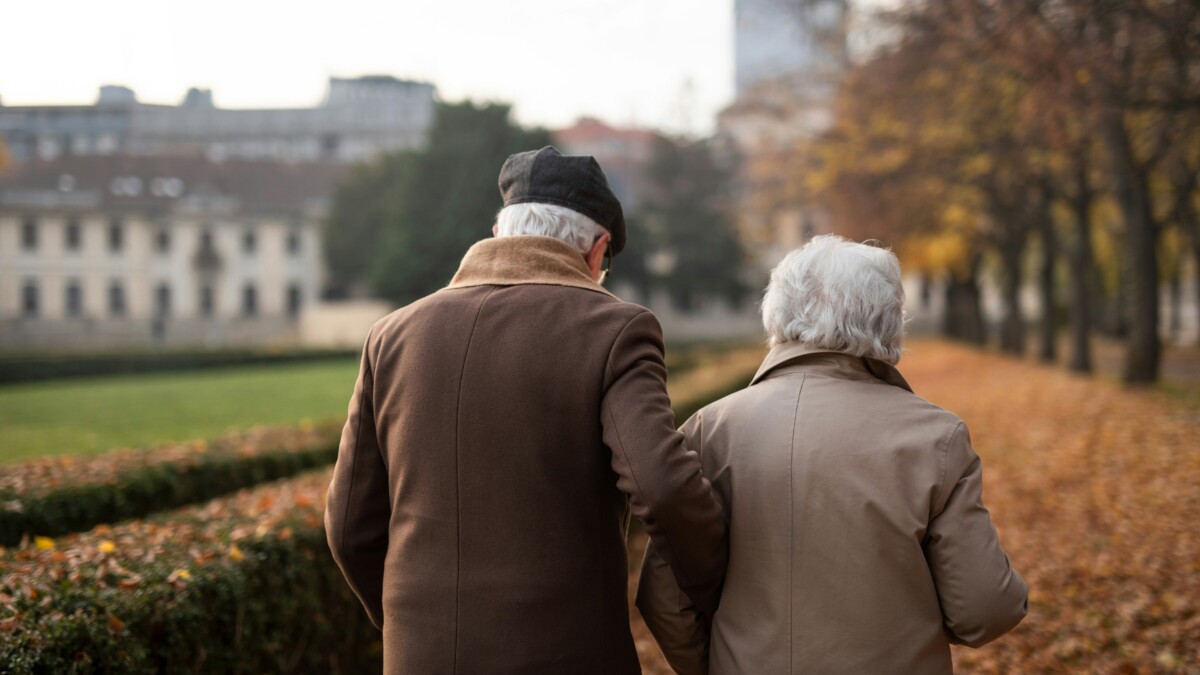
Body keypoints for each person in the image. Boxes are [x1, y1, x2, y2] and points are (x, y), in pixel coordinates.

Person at [324, 146, 727, 674]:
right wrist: (715, 594)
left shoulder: (392, 334)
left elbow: (349, 524)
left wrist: (412, 621)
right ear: (598, 250)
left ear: (497, 231)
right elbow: (664, 487)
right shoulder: (615, 329)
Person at [637, 235, 1028, 674]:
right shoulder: (936, 438)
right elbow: (983, 609)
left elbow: (665, 599)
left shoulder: (710, 430)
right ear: (887, 323)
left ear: (777, 314)